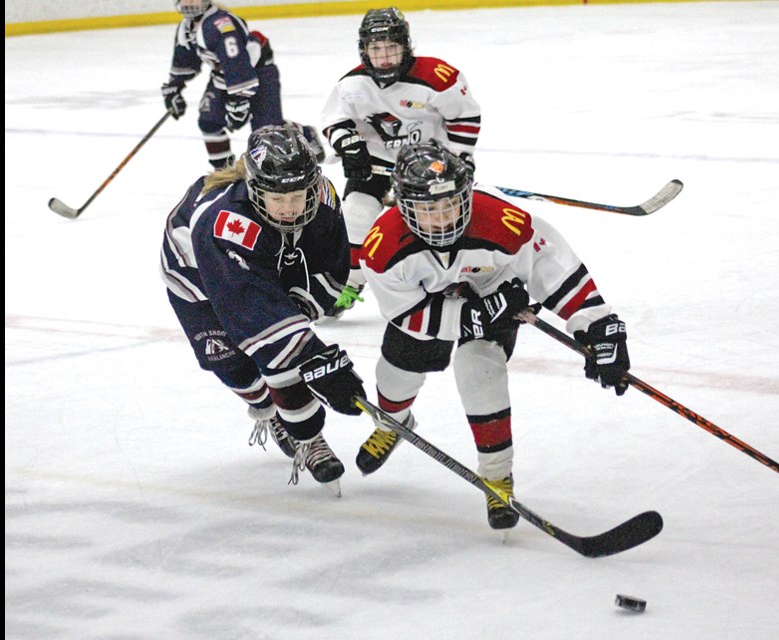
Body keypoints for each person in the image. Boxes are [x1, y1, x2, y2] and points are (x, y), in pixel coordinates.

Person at [355, 141, 632, 529]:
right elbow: (408, 314)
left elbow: (552, 269)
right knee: (396, 372)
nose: (443, 218)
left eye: (451, 204)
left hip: (493, 290)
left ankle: (497, 475)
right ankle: (392, 424)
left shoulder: (502, 219)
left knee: (479, 367)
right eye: (429, 210)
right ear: (403, 207)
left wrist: (598, 326)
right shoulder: (383, 247)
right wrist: (472, 317)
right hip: (432, 305)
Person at [159, 124, 368, 494]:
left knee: (282, 348)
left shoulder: (323, 199)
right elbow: (257, 320)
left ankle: (308, 437)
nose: (290, 208)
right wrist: (313, 355)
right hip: (198, 279)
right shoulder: (225, 223)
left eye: (298, 196)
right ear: (255, 189)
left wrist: (306, 338)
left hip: (267, 264)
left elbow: (332, 269)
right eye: (278, 199)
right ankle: (269, 411)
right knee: (235, 364)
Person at [319, 6, 481, 318]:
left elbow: (465, 117)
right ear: (364, 51)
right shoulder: (352, 85)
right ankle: (348, 285)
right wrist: (351, 147)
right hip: (377, 163)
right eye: (375, 49)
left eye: (391, 48)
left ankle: (457, 279)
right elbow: (335, 121)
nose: (384, 57)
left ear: (405, 46)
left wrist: (460, 158)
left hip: (429, 166)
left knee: (440, 222)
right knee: (355, 215)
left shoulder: (437, 77)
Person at [161, 0, 324, 169]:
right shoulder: (185, 28)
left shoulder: (220, 24)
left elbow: (236, 62)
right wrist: (174, 88)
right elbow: (185, 61)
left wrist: (239, 99)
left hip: (259, 72)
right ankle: (223, 171)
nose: (189, 2)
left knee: (267, 132)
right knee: (209, 122)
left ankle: (304, 133)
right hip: (225, 77)